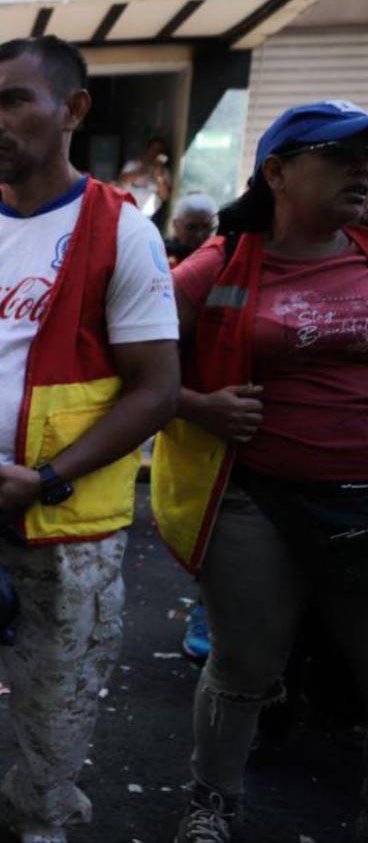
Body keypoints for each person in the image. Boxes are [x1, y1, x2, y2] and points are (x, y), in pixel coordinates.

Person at [0, 35, 180, 843]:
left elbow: (157, 389)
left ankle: (43, 812)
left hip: (67, 521)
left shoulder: (123, 232)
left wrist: (49, 476)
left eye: (15, 100)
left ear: (74, 110)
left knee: (59, 687)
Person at [151, 100, 368, 843]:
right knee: (243, 666)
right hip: (254, 500)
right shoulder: (218, 264)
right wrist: (197, 404)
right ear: (277, 171)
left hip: (362, 503)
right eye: (341, 156)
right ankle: (212, 800)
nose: (361, 171)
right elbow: (128, 362)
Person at [120, 135, 174, 221]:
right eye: (153, 149)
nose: (155, 153)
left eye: (159, 151)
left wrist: (159, 177)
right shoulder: (133, 164)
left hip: (149, 217)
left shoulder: (165, 172)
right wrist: (141, 171)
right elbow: (123, 180)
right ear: (147, 150)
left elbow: (165, 196)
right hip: (128, 213)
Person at [165, 192, 218, 266]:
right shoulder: (164, 258)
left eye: (206, 227)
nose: (199, 235)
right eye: (192, 228)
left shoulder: (218, 257)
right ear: (176, 225)